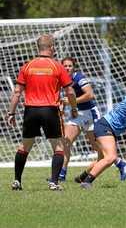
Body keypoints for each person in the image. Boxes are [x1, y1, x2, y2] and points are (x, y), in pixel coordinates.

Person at [6, 34, 78, 191]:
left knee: (25, 146)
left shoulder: (27, 66)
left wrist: (11, 113)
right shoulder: (57, 66)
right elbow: (70, 92)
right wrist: (73, 108)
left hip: (30, 110)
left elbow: (17, 92)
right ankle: (53, 182)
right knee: (58, 146)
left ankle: (17, 180)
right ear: (51, 47)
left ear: (38, 47)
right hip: (49, 110)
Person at [56, 57, 126, 182]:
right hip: (77, 114)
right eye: (65, 66)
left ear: (74, 67)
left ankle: (120, 163)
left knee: (99, 149)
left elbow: (90, 95)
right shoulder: (61, 79)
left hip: (90, 114)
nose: (67, 68)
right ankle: (61, 175)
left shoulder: (79, 78)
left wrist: (72, 102)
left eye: (70, 66)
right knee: (65, 142)